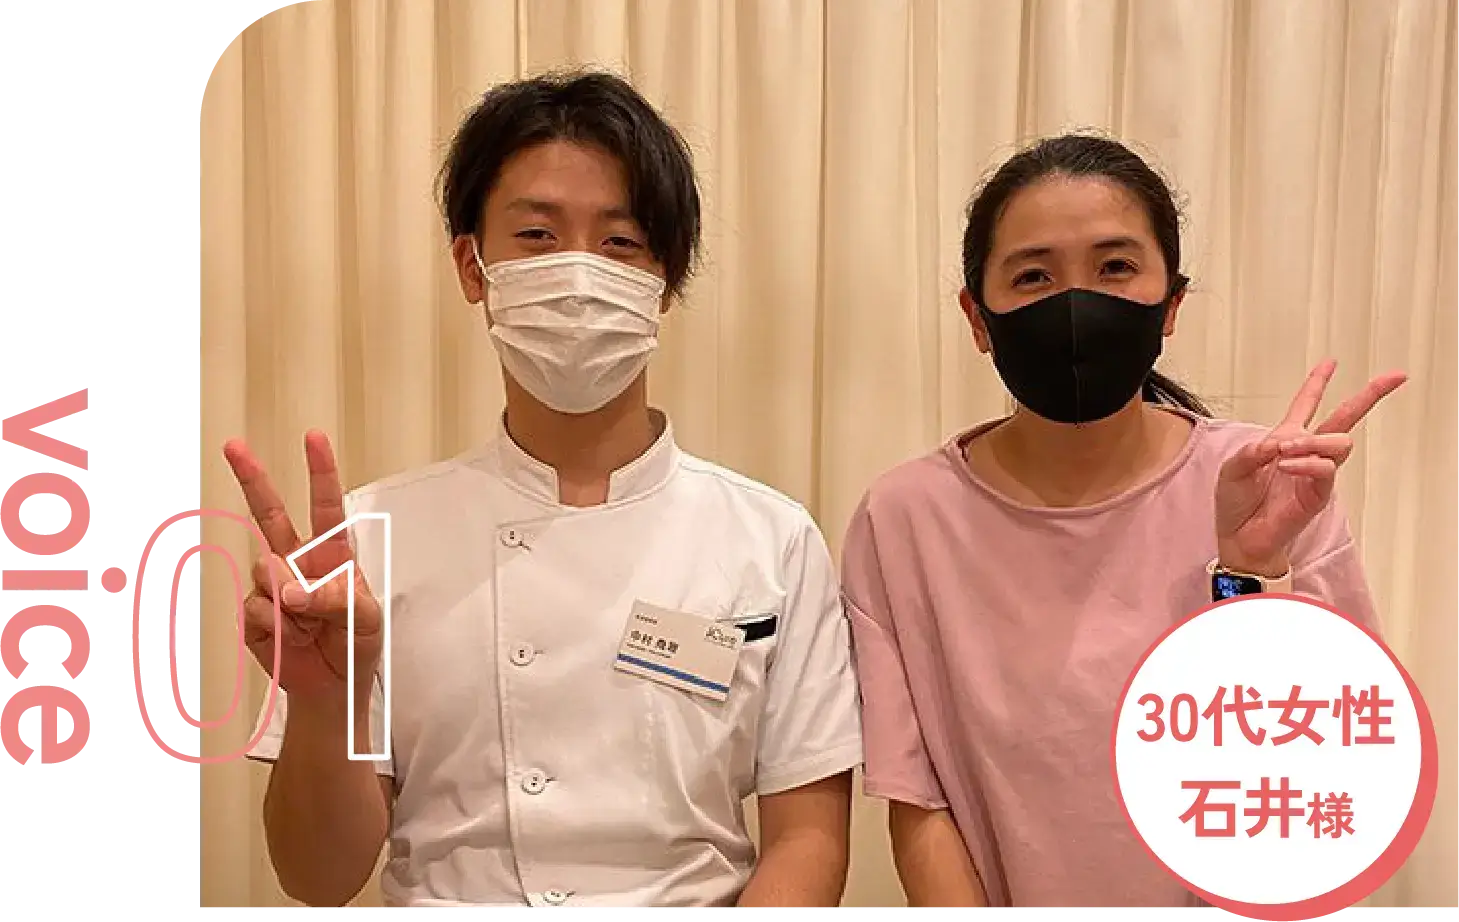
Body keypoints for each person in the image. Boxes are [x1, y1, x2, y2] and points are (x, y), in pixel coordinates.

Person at [225, 70, 862, 911]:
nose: (577, 273)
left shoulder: (770, 538)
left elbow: (807, 839)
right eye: (536, 235)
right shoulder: (368, 540)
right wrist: (325, 707)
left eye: (619, 242)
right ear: (473, 265)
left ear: (664, 279)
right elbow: (318, 878)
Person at [841, 133, 1406, 910]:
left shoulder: (1268, 482)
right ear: (977, 318)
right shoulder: (905, 517)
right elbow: (918, 802)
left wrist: (1251, 573)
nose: (1075, 305)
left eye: (1113, 267)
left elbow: (1316, 783)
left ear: (1169, 303)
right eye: (1033, 276)